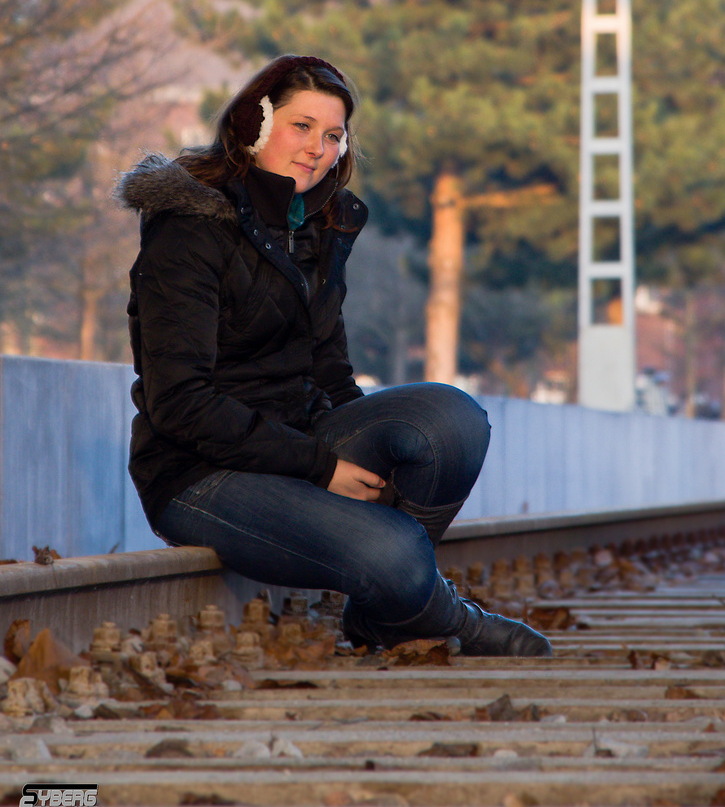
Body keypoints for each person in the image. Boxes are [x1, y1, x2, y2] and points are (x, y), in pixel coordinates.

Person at [117, 54, 551, 657]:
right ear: (255, 125)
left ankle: (388, 609)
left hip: (301, 439)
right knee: (393, 550)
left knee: (449, 422)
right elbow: (181, 403)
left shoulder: (318, 226)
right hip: (200, 473)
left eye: (333, 135)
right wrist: (321, 468)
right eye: (301, 126)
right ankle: (442, 613)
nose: (317, 148)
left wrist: (379, 451)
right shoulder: (190, 229)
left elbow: (331, 373)